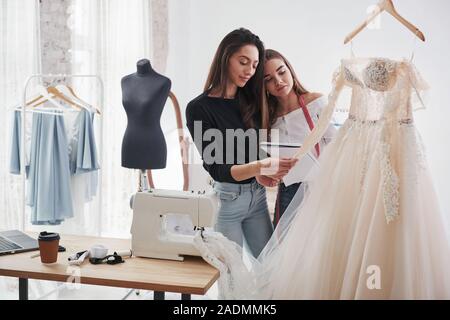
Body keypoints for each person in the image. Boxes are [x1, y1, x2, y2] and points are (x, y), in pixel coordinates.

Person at [185, 28, 297, 258]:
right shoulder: (199, 108)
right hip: (228, 203)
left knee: (271, 269)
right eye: (243, 62)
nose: (249, 71)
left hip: (257, 198)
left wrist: (262, 171)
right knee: (232, 280)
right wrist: (259, 167)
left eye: (254, 65)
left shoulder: (251, 101)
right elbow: (218, 169)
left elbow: (254, 151)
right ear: (226, 58)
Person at [263, 49, 337, 227]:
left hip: (320, 185)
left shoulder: (317, 102)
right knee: (284, 247)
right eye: (269, 80)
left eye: (281, 72)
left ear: (290, 69)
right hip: (289, 188)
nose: (278, 81)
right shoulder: (269, 118)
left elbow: (336, 144)